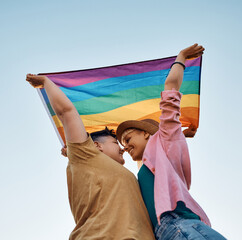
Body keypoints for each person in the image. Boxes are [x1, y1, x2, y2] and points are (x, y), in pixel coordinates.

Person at [116, 44, 226, 239]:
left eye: (128, 138)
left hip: (179, 225)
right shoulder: (150, 162)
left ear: (147, 134)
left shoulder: (162, 141)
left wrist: (181, 57)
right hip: (171, 230)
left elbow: (171, 91)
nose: (124, 146)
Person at [26, 74, 155, 240]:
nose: (123, 148)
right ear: (97, 146)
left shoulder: (127, 175)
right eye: (116, 143)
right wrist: (46, 83)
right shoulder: (87, 155)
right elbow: (67, 113)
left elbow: (148, 156)